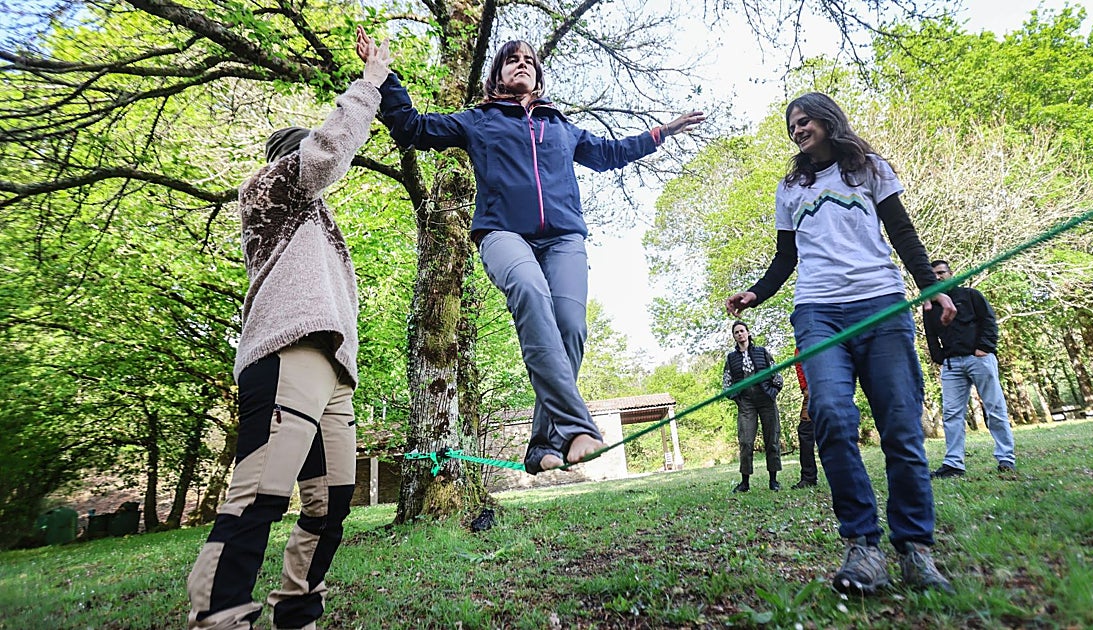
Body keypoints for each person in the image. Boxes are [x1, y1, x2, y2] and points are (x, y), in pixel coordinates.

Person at [359, 28, 705, 474]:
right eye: (511, 59)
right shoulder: (479, 120)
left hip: (563, 239)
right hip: (503, 233)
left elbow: (609, 154)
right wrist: (384, 79)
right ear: (498, 76)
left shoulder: (560, 126)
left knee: (571, 328)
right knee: (529, 290)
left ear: (538, 76)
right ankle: (577, 428)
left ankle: (542, 445)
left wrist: (662, 132)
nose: (521, 62)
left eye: (528, 59)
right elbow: (413, 128)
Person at [184, 34, 392, 630]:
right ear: (290, 158)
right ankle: (218, 614)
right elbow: (326, 152)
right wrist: (370, 85)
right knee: (262, 495)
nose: (323, 171)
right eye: (308, 153)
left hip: (334, 371)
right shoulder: (270, 189)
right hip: (285, 353)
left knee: (332, 502)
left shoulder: (316, 221)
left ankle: (297, 609)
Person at [725, 92, 956, 595]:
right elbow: (786, 257)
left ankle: (915, 549)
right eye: (792, 125)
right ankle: (863, 545)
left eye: (804, 120)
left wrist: (931, 288)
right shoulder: (791, 187)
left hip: (881, 304)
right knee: (829, 413)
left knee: (900, 424)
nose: (797, 130)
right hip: (818, 311)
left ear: (829, 121)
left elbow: (903, 233)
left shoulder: (870, 168)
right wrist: (757, 292)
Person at [922, 260, 1017, 477]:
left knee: (995, 408)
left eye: (941, 272)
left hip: (979, 359)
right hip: (952, 364)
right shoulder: (929, 306)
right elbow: (930, 336)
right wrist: (940, 358)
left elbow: (989, 321)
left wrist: (984, 348)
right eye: (933, 274)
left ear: (950, 274)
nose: (937, 277)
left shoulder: (971, 295)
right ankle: (954, 464)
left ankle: (1006, 458)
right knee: (951, 414)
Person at [722, 321, 785, 492]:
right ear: (734, 337)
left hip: (766, 400)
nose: (740, 334)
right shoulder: (731, 358)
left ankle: (773, 480)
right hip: (746, 403)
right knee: (745, 442)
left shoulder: (762, 352)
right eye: (736, 332)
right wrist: (737, 398)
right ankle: (745, 483)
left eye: (742, 331)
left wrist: (773, 392)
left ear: (748, 333)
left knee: (772, 439)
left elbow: (777, 375)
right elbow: (726, 384)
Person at [791, 351, 819, 489]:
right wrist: (805, 388)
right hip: (810, 392)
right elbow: (799, 364)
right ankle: (808, 477)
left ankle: (845, 473)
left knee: (834, 428)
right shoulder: (800, 346)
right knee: (805, 431)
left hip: (829, 388)